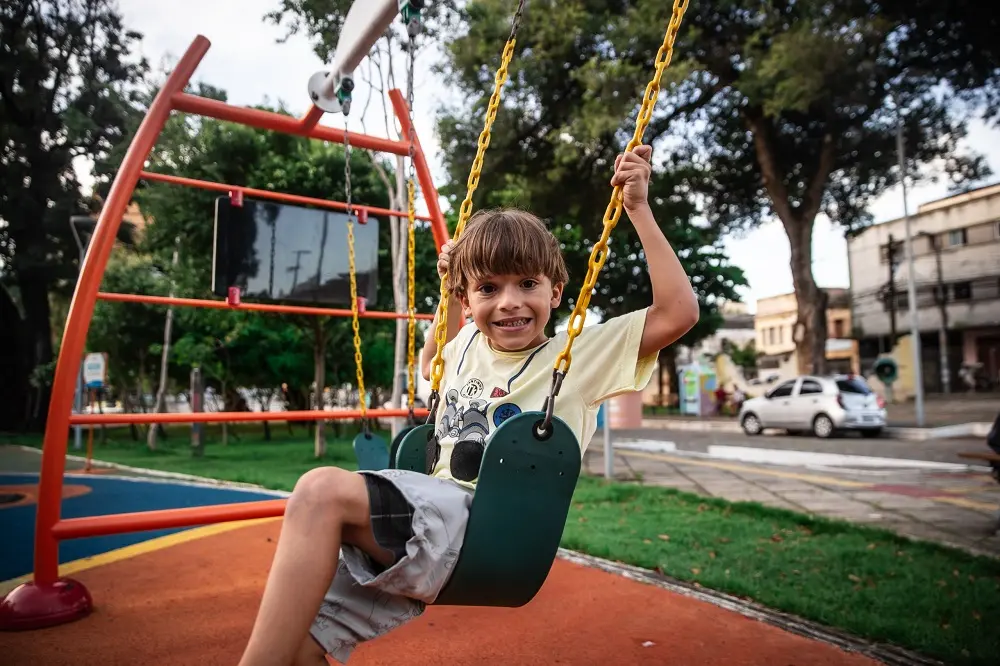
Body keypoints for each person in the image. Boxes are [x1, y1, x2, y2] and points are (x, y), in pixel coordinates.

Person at [237, 144, 700, 666]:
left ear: (556, 291)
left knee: (320, 491)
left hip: (484, 531)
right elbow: (431, 358)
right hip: (427, 523)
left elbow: (678, 312)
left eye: (528, 284)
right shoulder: (464, 346)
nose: (509, 301)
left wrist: (638, 208)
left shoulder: (576, 355)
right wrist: (448, 287)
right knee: (301, 646)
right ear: (467, 301)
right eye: (488, 288)